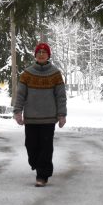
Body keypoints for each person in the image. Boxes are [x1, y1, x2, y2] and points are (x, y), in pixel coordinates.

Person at [13, 42, 67, 187]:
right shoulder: (27, 74)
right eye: (39, 53)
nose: (41, 55)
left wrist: (62, 114)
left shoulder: (55, 74)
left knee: (46, 147)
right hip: (31, 119)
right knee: (31, 146)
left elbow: (61, 96)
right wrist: (18, 111)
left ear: (48, 55)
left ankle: (42, 175)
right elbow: (20, 95)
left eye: (44, 52)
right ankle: (37, 164)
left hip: (49, 118)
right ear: (35, 55)